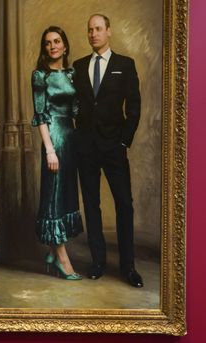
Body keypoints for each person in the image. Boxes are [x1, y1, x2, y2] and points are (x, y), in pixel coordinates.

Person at [73, 14, 143, 287]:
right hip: (86, 149)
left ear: (108, 32)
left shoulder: (125, 65)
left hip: (114, 147)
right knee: (91, 206)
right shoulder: (78, 67)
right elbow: (74, 105)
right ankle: (98, 262)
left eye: (98, 29)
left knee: (124, 205)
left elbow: (134, 107)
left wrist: (124, 141)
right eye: (89, 30)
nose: (93, 34)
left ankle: (128, 267)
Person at [31, 26, 83, 281]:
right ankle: (63, 259)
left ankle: (53, 253)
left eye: (57, 41)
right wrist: (50, 149)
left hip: (71, 139)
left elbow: (77, 110)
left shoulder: (73, 74)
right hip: (54, 138)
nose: (52, 46)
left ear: (64, 45)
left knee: (64, 195)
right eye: (47, 43)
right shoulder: (40, 76)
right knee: (53, 196)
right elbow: (40, 115)